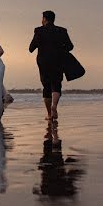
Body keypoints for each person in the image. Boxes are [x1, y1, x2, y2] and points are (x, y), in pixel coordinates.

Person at [28, 11, 74, 142]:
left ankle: (49, 114)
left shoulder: (39, 31)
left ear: (44, 19)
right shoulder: (62, 31)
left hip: (43, 61)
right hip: (58, 60)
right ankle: (55, 106)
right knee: (57, 84)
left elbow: (31, 48)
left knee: (46, 86)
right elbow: (70, 46)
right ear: (53, 19)